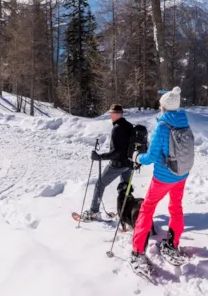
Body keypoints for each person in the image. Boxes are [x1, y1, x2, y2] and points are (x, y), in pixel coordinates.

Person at [130, 87, 191, 273]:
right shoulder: (184, 123)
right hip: (181, 174)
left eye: (160, 104)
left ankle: (137, 251)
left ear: (164, 107)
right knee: (176, 208)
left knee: (147, 209)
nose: (159, 106)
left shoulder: (162, 127)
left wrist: (136, 157)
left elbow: (149, 157)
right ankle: (172, 244)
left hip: (163, 177)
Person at [80, 104, 135, 222]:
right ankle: (126, 212)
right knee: (125, 188)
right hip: (130, 164)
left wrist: (100, 157)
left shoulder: (117, 128)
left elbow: (117, 152)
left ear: (117, 114)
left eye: (111, 113)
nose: (110, 115)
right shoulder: (129, 126)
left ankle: (94, 213)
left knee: (100, 184)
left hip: (118, 164)